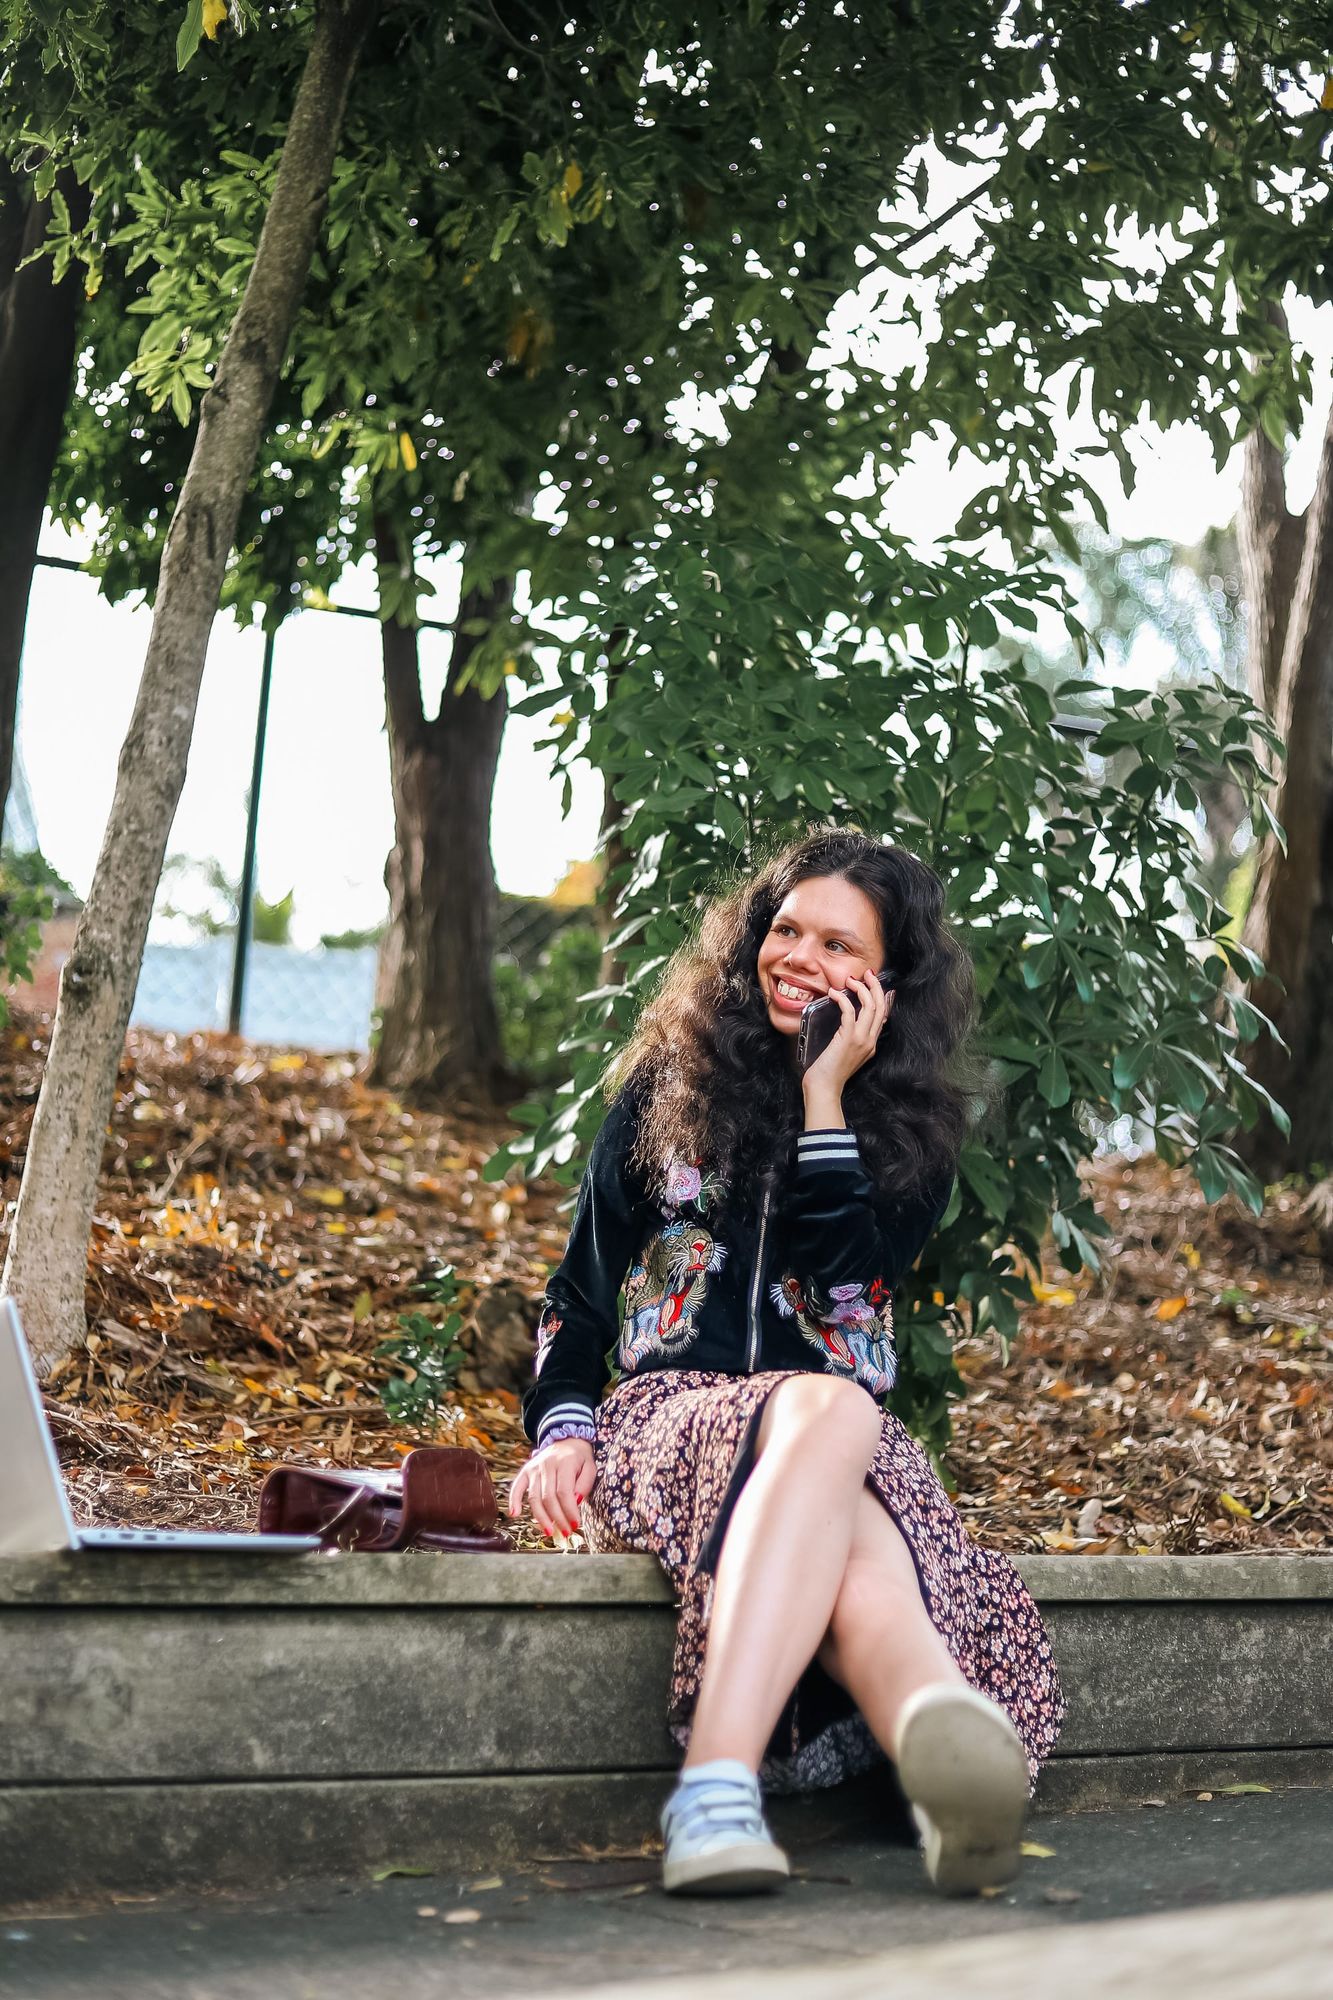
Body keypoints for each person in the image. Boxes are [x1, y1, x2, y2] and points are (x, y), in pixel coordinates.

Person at [508, 828, 1065, 1897]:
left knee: (840, 1456)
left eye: (838, 943)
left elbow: (846, 1285)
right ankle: (858, 1741)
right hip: (670, 1423)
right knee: (835, 1416)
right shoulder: (664, 1087)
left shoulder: (911, 1132)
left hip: (827, 1442)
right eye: (785, 927)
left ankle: (885, 1767)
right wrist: (564, 1424)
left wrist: (824, 1096)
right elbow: (577, 1294)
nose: (798, 955)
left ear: (888, 985)